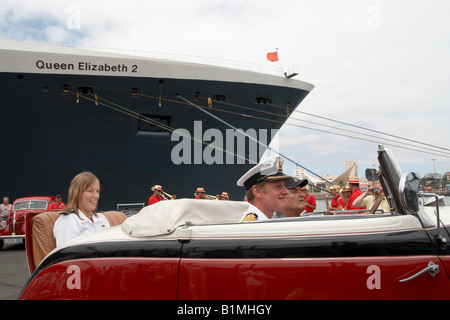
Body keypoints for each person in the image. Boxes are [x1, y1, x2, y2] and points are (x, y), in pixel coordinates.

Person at [53, 171, 110, 247]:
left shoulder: (101, 218)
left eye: (97, 191)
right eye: (90, 191)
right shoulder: (68, 221)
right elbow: (67, 255)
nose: (96, 196)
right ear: (77, 193)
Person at [236, 155, 291, 222]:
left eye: (284, 186)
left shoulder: (267, 221)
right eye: (278, 187)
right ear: (257, 191)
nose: (286, 192)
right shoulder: (251, 226)